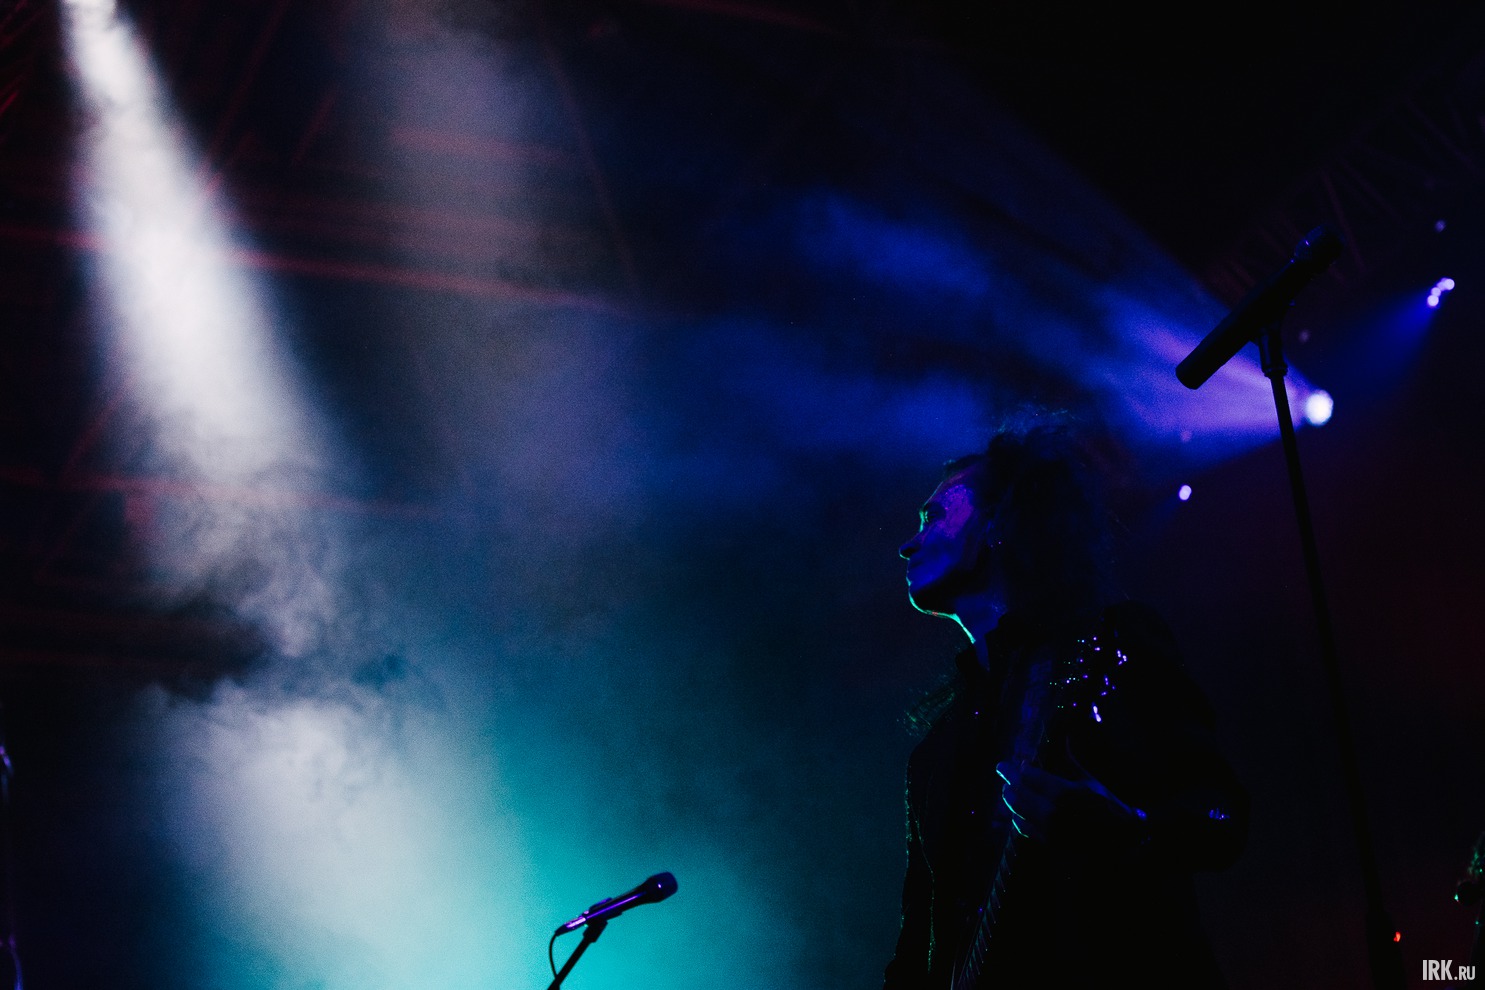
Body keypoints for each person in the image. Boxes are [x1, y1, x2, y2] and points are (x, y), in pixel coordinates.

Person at [882, 420, 1248, 989]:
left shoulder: (1110, 643)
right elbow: (916, 950)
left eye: (933, 517)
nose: (908, 543)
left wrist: (1130, 831)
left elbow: (1221, 815)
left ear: (999, 521)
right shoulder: (934, 754)